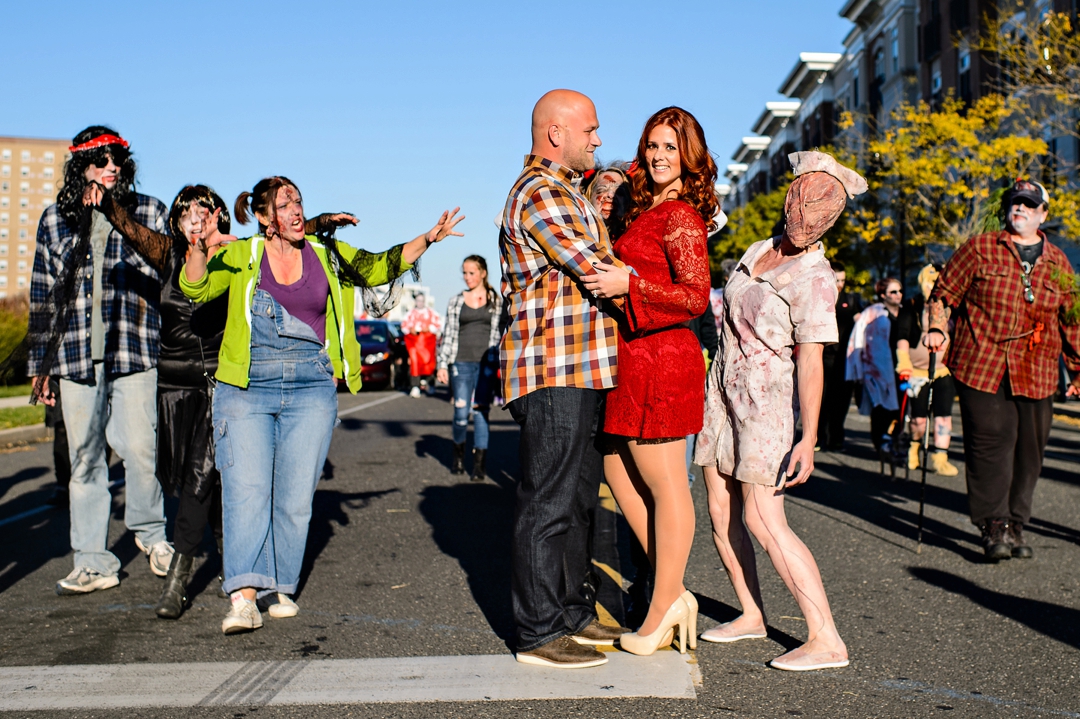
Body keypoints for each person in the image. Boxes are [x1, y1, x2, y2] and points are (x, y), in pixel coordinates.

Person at [181, 175, 463, 634]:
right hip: (248, 384)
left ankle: (278, 585)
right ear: (263, 216)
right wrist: (197, 247)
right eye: (285, 202)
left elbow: (377, 266)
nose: (295, 209)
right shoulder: (242, 254)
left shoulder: (326, 254)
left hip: (311, 385)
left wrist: (428, 238)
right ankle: (244, 597)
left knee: (294, 497)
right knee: (247, 491)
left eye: (299, 200)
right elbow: (196, 289)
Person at [695, 151, 866, 671]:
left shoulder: (817, 278)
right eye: (800, 197)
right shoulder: (758, 249)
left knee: (764, 519)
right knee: (721, 514)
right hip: (721, 391)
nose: (803, 209)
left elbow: (811, 361)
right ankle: (751, 614)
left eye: (817, 205)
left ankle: (826, 638)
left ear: (830, 216)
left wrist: (808, 436)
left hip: (767, 403)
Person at [500, 89, 629, 669]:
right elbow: (593, 267)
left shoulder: (569, 191)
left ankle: (571, 613)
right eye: (591, 130)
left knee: (577, 500)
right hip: (552, 366)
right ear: (556, 133)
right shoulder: (539, 192)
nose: (598, 140)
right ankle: (537, 629)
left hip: (580, 367)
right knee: (549, 499)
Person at [582, 106, 715, 657]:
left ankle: (661, 606)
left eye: (670, 146)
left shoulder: (681, 215)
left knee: (665, 485)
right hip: (632, 357)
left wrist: (627, 282)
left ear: (689, 155)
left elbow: (695, 296)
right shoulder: (646, 208)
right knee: (616, 467)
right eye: (652, 145)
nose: (659, 156)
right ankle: (674, 590)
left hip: (663, 356)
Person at [29, 126, 172, 595]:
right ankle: (93, 560)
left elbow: (165, 264)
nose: (110, 167)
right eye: (100, 160)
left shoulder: (147, 210)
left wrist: (114, 214)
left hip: (134, 348)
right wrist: (41, 364)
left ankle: (152, 536)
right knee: (86, 460)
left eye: (117, 160)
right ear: (81, 167)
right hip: (74, 355)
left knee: (141, 450)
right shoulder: (55, 220)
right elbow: (43, 297)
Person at [926, 179, 1080, 560]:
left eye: (1029, 204)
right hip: (982, 361)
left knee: (1030, 451)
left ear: (1043, 214)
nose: (1020, 209)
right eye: (1015, 203)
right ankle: (993, 524)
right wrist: (935, 326)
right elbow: (944, 293)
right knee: (991, 442)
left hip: (1038, 367)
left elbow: (1072, 319)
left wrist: (1078, 369)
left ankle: (1016, 523)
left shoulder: (1059, 261)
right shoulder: (979, 249)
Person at [436, 255, 503, 480]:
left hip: (486, 365)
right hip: (461, 363)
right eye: (464, 273)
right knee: (461, 412)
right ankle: (457, 456)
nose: (467, 277)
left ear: (483, 273)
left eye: (471, 273)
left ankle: (479, 466)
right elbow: (449, 334)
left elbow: (500, 335)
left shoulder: (496, 300)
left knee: (481, 412)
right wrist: (442, 364)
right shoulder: (456, 301)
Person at [895, 264, 958, 476]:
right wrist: (903, 361)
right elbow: (902, 335)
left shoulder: (950, 305)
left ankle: (941, 457)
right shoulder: (912, 305)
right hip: (918, 372)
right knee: (919, 419)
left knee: (943, 416)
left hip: (943, 370)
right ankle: (914, 447)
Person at [847, 278, 903, 458]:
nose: (898, 295)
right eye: (893, 292)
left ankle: (892, 442)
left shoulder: (904, 313)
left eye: (900, 291)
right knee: (880, 408)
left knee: (898, 409)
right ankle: (881, 444)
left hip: (900, 367)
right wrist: (857, 368)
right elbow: (857, 341)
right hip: (876, 369)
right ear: (882, 294)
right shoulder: (871, 313)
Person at [817, 260, 862, 451]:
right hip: (823, 357)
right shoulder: (819, 298)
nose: (840, 284)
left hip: (845, 360)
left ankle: (836, 438)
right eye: (837, 279)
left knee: (841, 401)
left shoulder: (851, 301)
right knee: (820, 400)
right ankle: (818, 437)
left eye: (843, 280)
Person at [401, 294, 442, 397]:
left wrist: (428, 328)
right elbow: (404, 327)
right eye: (418, 300)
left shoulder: (431, 313)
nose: (420, 303)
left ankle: (429, 383)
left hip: (427, 345)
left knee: (429, 363)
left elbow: (438, 325)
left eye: (422, 300)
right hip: (414, 344)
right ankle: (415, 386)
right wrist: (411, 330)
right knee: (414, 363)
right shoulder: (410, 314)